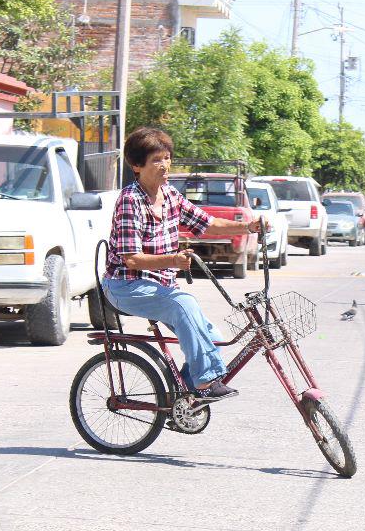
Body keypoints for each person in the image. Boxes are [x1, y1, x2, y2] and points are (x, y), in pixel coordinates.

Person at [102, 127, 262, 401]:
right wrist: (173, 260)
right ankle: (204, 382)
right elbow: (132, 258)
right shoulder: (130, 201)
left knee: (210, 335)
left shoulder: (171, 195)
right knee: (183, 305)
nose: (164, 165)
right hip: (125, 285)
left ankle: (184, 394)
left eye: (166, 158)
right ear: (136, 165)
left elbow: (207, 224)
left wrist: (248, 226)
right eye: (156, 160)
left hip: (160, 285)